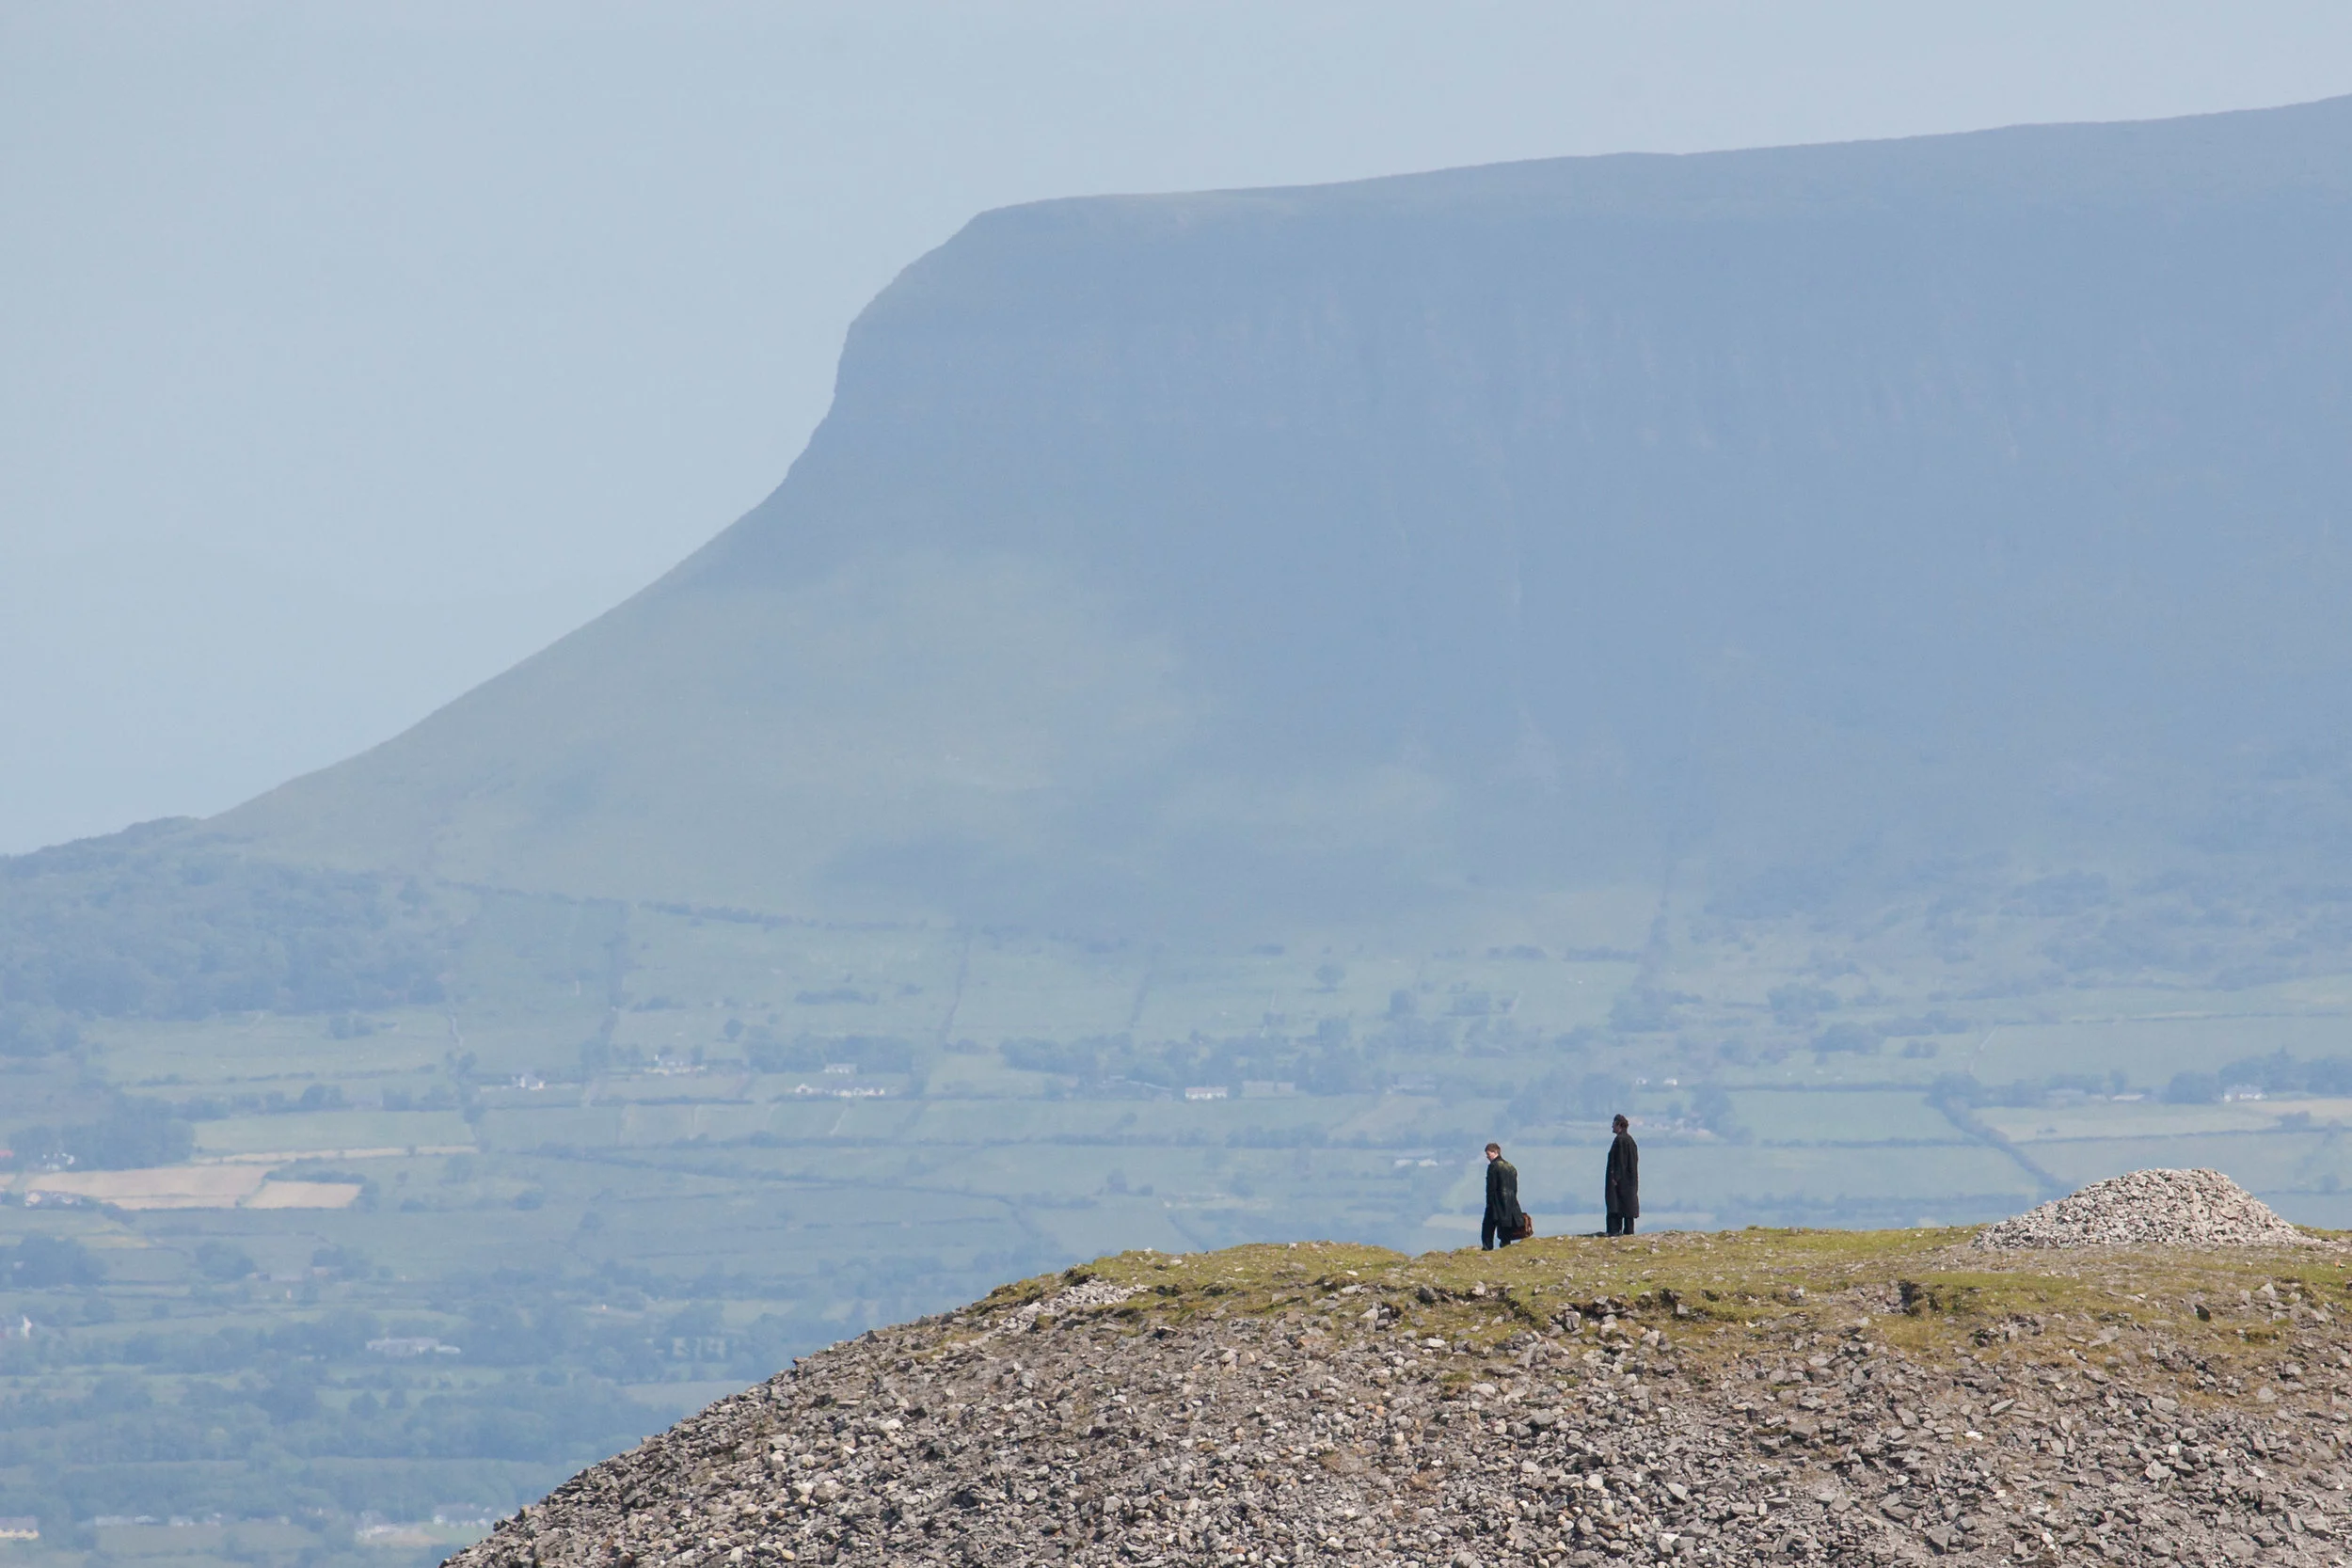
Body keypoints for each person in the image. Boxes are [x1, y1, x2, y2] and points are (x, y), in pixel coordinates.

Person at [1481, 1142, 1522, 1250]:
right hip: (1510, 1201)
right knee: (1505, 1225)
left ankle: (1487, 1247)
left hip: (1496, 1201)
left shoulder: (1493, 1167)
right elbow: (1514, 1187)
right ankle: (1505, 1245)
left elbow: (1491, 1187)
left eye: (1488, 1154)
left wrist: (1489, 1202)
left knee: (1488, 1226)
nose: (1487, 1157)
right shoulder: (1510, 1167)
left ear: (1495, 1152)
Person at [1605, 1114, 1640, 1236]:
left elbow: (1620, 1161)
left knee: (1617, 1206)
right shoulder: (1630, 1141)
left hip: (1620, 1182)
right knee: (1628, 1208)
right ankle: (1628, 1232)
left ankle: (1614, 1231)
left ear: (1619, 1125)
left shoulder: (1621, 1140)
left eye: (1614, 1124)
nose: (1612, 1127)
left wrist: (1616, 1177)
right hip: (1629, 1182)